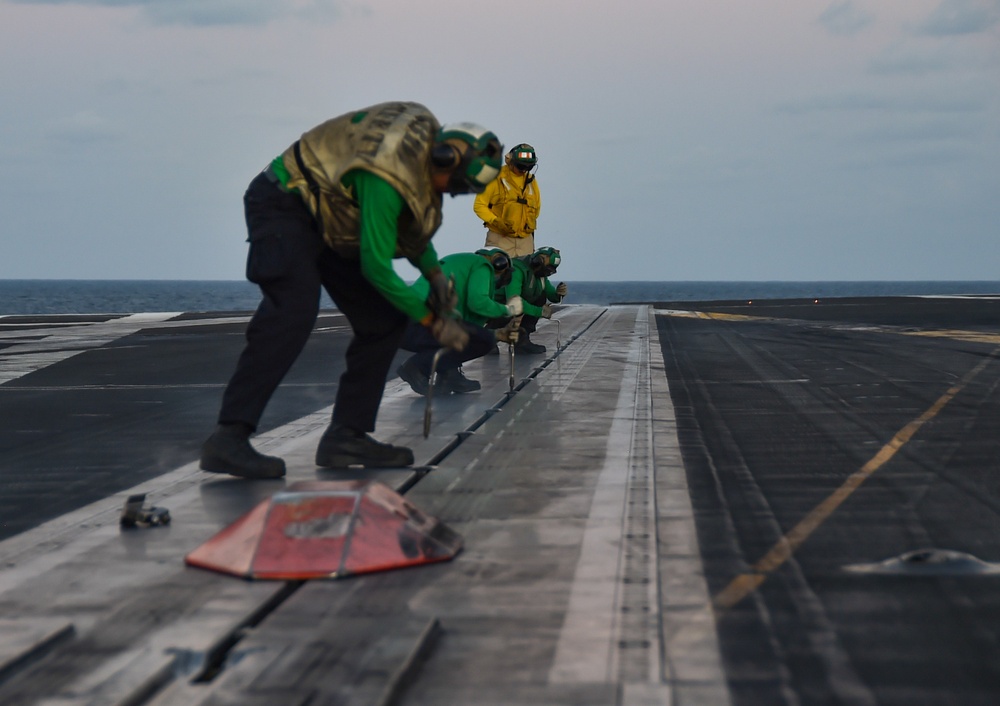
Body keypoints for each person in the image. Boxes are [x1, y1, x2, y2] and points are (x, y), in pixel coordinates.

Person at [199, 101, 503, 479]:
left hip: (334, 215)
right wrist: (431, 320)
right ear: (446, 157)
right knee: (291, 312)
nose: (454, 194)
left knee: (382, 321)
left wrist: (436, 278)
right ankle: (229, 437)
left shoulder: (421, 163)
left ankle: (346, 436)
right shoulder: (387, 169)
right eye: (457, 184)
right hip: (286, 202)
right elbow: (378, 268)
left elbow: (411, 232)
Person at [397, 249, 522, 395]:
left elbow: (463, 328)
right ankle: (416, 367)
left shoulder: (461, 268)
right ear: (500, 264)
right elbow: (478, 302)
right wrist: (508, 310)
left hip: (405, 322)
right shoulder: (483, 265)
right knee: (483, 341)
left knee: (470, 336)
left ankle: (450, 375)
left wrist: (497, 334)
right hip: (421, 320)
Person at [473, 143, 540, 257]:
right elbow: (479, 206)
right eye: (521, 166)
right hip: (500, 239)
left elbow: (537, 209)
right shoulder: (495, 178)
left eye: (529, 167)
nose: (524, 170)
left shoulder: (531, 182)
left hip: (525, 241)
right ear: (511, 162)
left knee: (525, 274)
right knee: (498, 272)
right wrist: (496, 221)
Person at [504, 246, 567, 354]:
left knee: (540, 297)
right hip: (500, 303)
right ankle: (490, 338)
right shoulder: (517, 270)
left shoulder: (539, 275)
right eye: (547, 270)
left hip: (511, 306)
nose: (547, 274)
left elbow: (550, 293)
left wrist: (558, 294)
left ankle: (522, 340)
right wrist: (539, 311)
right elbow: (513, 301)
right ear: (538, 262)